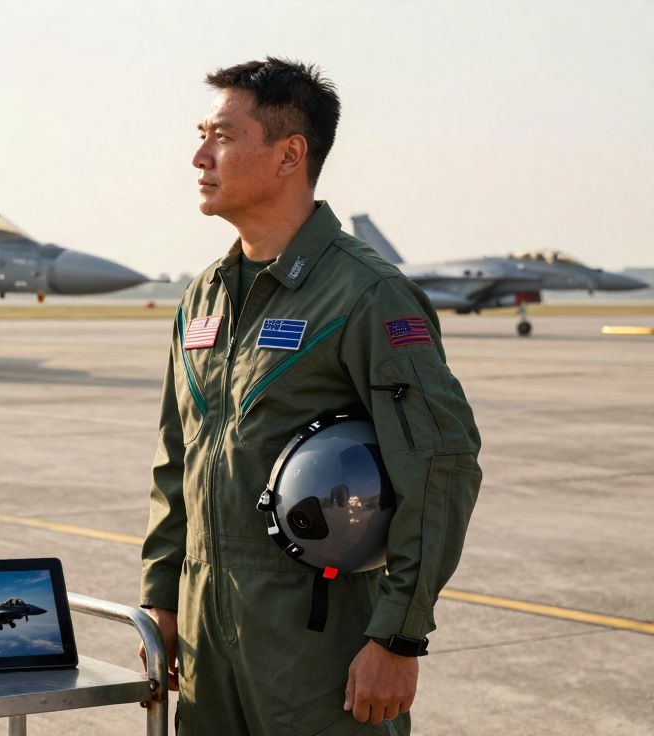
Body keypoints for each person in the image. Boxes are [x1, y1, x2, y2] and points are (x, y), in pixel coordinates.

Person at [138, 58, 482, 735]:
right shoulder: (203, 297)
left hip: (320, 651)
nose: (200, 155)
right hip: (208, 650)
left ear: (290, 153)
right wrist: (161, 598)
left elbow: (440, 468)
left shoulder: (365, 294)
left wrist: (398, 638)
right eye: (202, 133)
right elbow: (177, 460)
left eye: (224, 137)